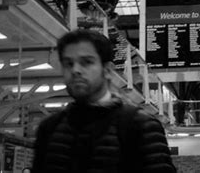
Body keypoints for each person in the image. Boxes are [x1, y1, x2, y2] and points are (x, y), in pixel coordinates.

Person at [32, 29, 176, 173]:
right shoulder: (49, 128)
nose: (75, 70)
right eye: (68, 64)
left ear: (107, 70)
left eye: (86, 62)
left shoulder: (141, 126)